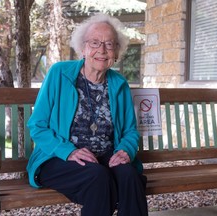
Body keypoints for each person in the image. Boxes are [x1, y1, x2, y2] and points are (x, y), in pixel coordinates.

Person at [26, 13, 148, 216]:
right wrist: (68, 151)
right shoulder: (59, 74)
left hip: (104, 156)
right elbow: (37, 125)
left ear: (116, 52)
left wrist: (125, 150)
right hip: (57, 156)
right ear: (83, 48)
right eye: (94, 43)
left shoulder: (119, 84)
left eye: (109, 44)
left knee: (129, 175)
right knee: (98, 177)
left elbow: (130, 131)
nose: (102, 50)